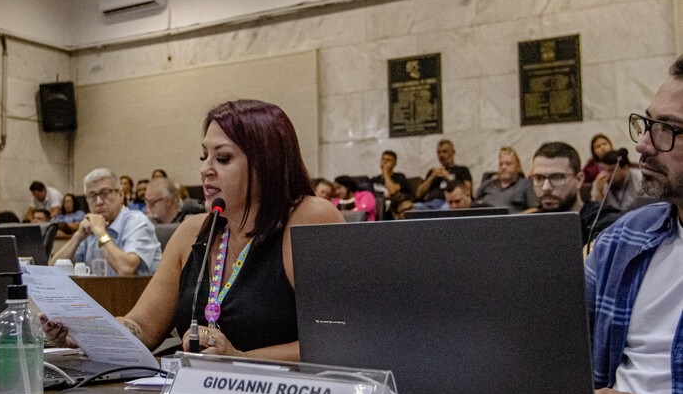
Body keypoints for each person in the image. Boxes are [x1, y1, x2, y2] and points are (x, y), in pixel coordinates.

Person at [44, 100, 343, 360]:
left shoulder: (309, 217)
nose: (205, 169)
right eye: (204, 157)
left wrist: (241, 359)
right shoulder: (192, 231)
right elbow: (142, 327)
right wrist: (82, 333)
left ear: (266, 164)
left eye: (222, 158)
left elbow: (341, 340)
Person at [586, 55, 683, 394]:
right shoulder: (621, 239)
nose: (643, 145)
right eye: (647, 124)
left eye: (667, 130)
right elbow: (557, 341)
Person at [49, 168, 162, 276]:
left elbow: (126, 270)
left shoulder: (137, 222)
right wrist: (78, 237)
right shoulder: (89, 227)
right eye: (92, 196)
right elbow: (53, 270)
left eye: (105, 193)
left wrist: (100, 233)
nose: (99, 202)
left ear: (121, 195)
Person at [530, 142, 621, 246]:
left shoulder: (603, 221)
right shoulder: (528, 224)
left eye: (557, 177)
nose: (546, 187)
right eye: (538, 178)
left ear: (579, 179)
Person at [474, 147, 538, 213]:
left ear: (517, 167)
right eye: (501, 164)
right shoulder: (487, 184)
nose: (503, 167)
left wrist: (516, 217)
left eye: (508, 164)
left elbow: (534, 209)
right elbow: (473, 206)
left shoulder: (526, 184)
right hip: (486, 218)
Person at [414, 139, 473, 208]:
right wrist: (431, 177)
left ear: (453, 152)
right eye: (439, 152)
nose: (441, 155)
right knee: (413, 208)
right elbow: (418, 194)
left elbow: (468, 191)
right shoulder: (433, 172)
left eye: (445, 152)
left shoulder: (462, 170)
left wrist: (448, 177)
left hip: (448, 203)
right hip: (429, 203)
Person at [591, 148, 644, 212]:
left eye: (611, 170)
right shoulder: (600, 182)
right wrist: (599, 192)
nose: (606, 175)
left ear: (625, 168)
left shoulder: (640, 178)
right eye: (603, 169)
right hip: (611, 217)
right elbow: (596, 212)